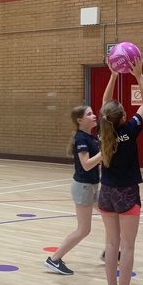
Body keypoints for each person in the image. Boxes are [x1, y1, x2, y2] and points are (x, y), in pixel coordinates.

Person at [98, 59, 143, 285]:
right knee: (128, 246)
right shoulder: (130, 130)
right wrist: (138, 75)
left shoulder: (103, 129)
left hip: (106, 192)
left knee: (111, 244)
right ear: (124, 117)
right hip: (127, 192)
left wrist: (113, 76)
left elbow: (105, 105)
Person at [45, 105, 102, 275]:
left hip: (92, 186)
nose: (93, 116)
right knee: (84, 230)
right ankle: (54, 259)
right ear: (79, 120)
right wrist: (104, 152)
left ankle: (112, 251)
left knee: (109, 215)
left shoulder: (90, 137)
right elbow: (86, 165)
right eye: (89, 114)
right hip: (83, 187)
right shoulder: (81, 139)